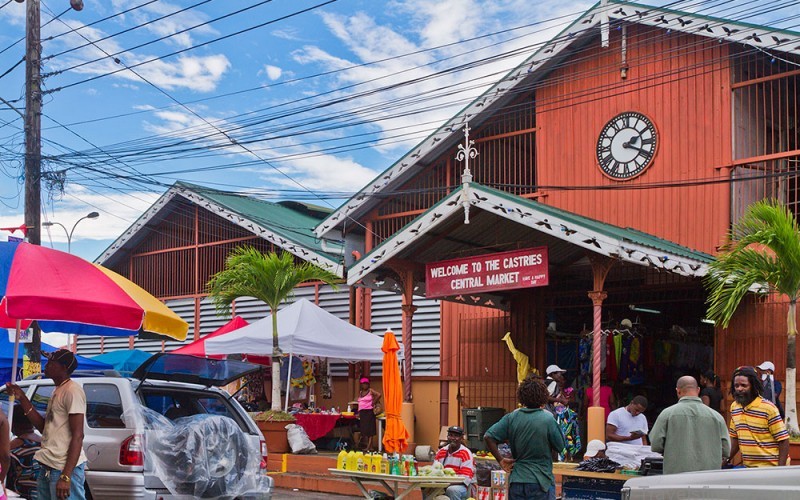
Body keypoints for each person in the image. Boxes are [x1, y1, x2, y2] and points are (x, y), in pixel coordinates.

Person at [6, 348, 88, 500]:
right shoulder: (58, 390)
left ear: (63, 368)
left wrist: (66, 476)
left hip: (62, 467)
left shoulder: (72, 391)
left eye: (52, 362)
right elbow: (44, 428)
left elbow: (78, 435)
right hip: (48, 465)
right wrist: (22, 398)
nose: (47, 365)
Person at [484, 376, 565, 500]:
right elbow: (560, 446)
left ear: (521, 397)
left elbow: (488, 436)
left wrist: (501, 460)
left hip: (517, 480)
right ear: (543, 397)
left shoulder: (512, 417)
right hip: (541, 481)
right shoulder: (548, 419)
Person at [648, 376, 730, 474]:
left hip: (676, 477)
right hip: (708, 478)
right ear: (698, 390)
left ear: (678, 391)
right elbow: (726, 450)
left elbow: (656, 445)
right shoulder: (717, 417)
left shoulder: (667, 414)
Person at [727, 366, 789, 467]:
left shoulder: (768, 408)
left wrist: (779, 471)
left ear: (754, 386)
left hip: (770, 469)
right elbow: (735, 439)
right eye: (736, 385)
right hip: (749, 468)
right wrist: (726, 459)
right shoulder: (734, 407)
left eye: (744, 385)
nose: (739, 389)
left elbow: (783, 440)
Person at [429, 426, 474, 500]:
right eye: (450, 435)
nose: (453, 438)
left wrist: (445, 484)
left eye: (456, 436)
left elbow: (465, 478)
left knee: (452, 490)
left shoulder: (466, 453)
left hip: (461, 486)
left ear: (461, 438)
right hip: (442, 484)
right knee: (427, 488)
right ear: (447, 437)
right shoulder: (441, 452)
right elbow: (434, 471)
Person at [7, 405, 42, 499]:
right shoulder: (45, 443)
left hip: (23, 494)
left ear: (13, 424)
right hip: (44, 492)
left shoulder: (12, 448)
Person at [356, 377, 381, 451]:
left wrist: (374, 402)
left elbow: (379, 395)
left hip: (369, 412)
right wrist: (358, 413)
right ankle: (370, 446)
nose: (365, 385)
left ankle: (369, 447)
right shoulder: (360, 392)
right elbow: (360, 403)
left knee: (370, 430)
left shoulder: (370, 391)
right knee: (365, 430)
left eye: (366, 384)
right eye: (363, 384)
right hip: (363, 412)